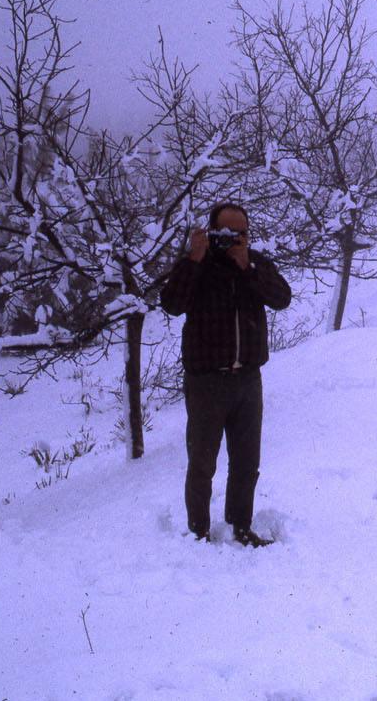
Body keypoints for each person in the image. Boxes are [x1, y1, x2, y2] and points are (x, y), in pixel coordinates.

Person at [159, 202, 292, 547]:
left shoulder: (255, 264)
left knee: (247, 462)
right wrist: (194, 259)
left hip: (248, 380)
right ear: (212, 231)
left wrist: (247, 266)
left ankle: (241, 527)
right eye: (227, 232)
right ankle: (198, 532)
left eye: (241, 233)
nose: (234, 239)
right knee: (202, 462)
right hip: (206, 382)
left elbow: (282, 298)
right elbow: (171, 304)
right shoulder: (196, 265)